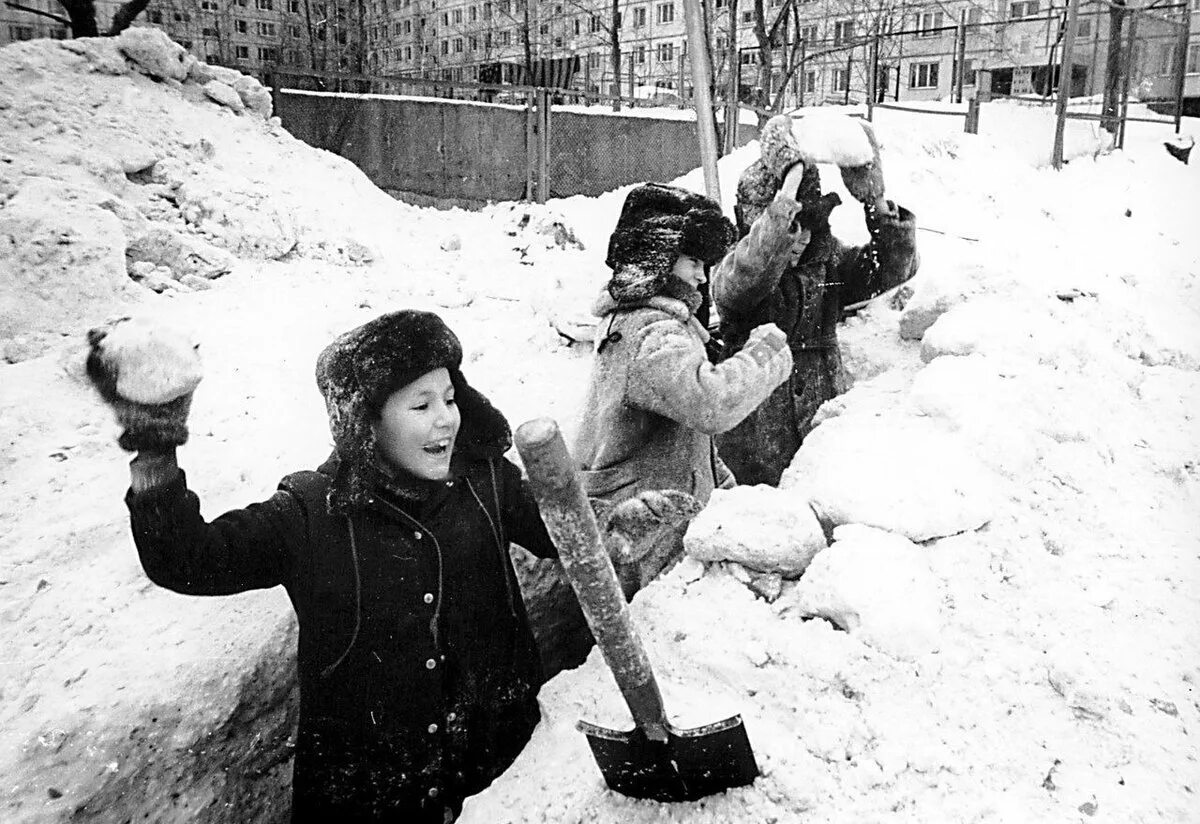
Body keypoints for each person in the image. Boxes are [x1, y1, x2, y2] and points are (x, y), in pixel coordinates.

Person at [86, 310, 681, 823]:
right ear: (365, 422)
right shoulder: (310, 515)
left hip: (496, 769)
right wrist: (155, 448)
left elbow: (565, 535)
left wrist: (619, 523)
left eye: (449, 398)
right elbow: (187, 561)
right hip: (369, 798)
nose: (445, 419)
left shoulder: (487, 482)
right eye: (420, 405)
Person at [574, 182, 794, 595]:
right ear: (658, 256)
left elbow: (687, 441)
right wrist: (766, 355)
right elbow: (710, 404)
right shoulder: (651, 332)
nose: (701, 274)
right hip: (646, 526)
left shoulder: (644, 322)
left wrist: (725, 492)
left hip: (651, 512)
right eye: (693, 260)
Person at [712, 115, 922, 486]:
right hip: (755, 442)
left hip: (820, 433)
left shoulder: (828, 262)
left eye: (813, 225)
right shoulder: (733, 268)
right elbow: (750, 275)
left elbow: (891, 270)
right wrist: (788, 187)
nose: (803, 238)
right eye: (793, 226)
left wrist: (876, 200)